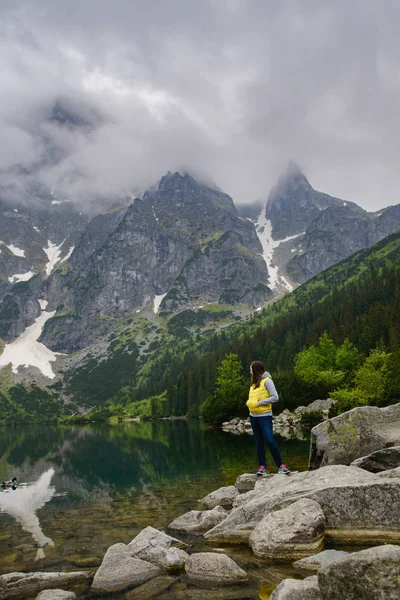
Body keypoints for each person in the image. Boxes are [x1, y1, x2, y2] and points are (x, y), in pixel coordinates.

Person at [246, 361, 290, 476]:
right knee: (259, 443)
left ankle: (281, 465)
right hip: (253, 417)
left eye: (251, 369)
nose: (249, 371)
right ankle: (262, 467)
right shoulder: (253, 384)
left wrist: (260, 403)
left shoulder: (268, 381)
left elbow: (275, 397)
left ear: (255, 370)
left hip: (265, 416)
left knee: (269, 440)